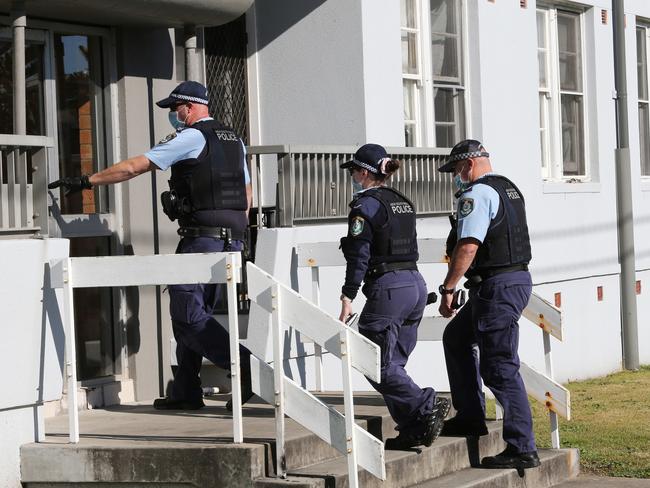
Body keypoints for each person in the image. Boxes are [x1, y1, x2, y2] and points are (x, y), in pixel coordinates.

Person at [48, 80, 254, 411]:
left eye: (175, 109)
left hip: (202, 239)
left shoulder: (191, 137)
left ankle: (243, 366)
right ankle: (186, 391)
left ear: (189, 107)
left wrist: (85, 181)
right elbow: (246, 194)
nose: (173, 115)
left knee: (187, 314)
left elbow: (134, 167)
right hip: (231, 241)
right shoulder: (234, 140)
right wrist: (238, 234)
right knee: (192, 312)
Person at [338, 143, 450, 450]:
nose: (353, 177)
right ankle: (414, 428)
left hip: (389, 288)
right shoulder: (402, 202)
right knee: (393, 365)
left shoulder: (366, 206)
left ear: (364, 172)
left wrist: (348, 295)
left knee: (373, 361)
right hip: (414, 284)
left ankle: (425, 405)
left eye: (354, 171)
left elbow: (359, 254)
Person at [437, 139, 540, 469]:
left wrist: (448, 287)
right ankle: (470, 416)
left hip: (497, 287)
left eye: (455, 169)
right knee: (456, 338)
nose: (455, 175)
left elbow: (468, 246)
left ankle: (522, 447)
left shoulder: (476, 194)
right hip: (508, 282)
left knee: (499, 366)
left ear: (467, 165)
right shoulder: (509, 188)